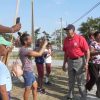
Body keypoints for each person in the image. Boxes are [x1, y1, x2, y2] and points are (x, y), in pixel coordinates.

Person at [62, 24, 90, 100]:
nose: (67, 31)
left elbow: (87, 51)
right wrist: (64, 63)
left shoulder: (80, 38)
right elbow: (66, 52)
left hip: (80, 61)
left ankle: (83, 97)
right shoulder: (66, 40)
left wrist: (86, 63)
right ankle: (70, 96)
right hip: (70, 61)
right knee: (71, 80)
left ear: (73, 30)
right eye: (66, 30)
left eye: (68, 30)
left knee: (80, 82)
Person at [19, 32, 48, 100]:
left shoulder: (25, 49)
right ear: (25, 41)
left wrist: (41, 45)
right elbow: (39, 53)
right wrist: (45, 45)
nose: (31, 40)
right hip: (27, 72)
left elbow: (36, 50)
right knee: (27, 90)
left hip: (30, 72)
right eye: (30, 39)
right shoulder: (24, 50)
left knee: (35, 87)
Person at [86, 31, 100, 98]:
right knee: (95, 78)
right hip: (93, 63)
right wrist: (98, 52)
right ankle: (86, 87)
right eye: (99, 36)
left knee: (99, 79)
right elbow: (90, 53)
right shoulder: (93, 43)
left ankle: (98, 93)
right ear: (95, 36)